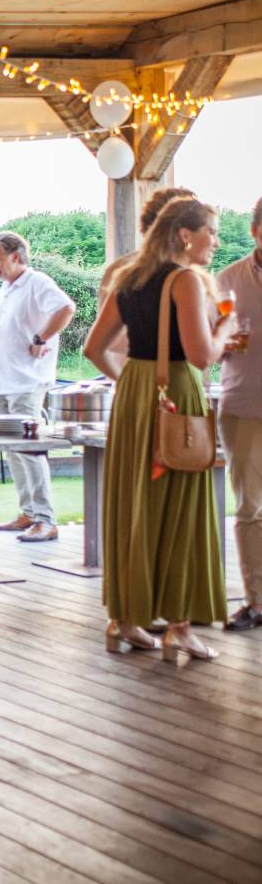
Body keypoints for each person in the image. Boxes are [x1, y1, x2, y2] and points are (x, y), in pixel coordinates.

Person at [83, 198, 231, 660]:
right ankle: (179, 627)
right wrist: (227, 330)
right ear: (185, 235)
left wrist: (131, 384)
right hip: (177, 392)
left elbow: (94, 349)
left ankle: (124, 621)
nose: (216, 242)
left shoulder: (129, 278)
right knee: (181, 507)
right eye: (211, 232)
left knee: (135, 504)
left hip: (134, 397)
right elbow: (201, 356)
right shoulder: (184, 280)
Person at [0, 231, 75, 542]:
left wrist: (41, 338)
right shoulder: (6, 288)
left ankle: (46, 520)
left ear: (15, 256)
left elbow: (66, 308)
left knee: (29, 450)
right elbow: (10, 331)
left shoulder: (37, 282)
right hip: (2, 381)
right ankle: (28, 513)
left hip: (27, 381)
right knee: (12, 450)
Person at [95, 187, 196, 376]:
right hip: (139, 376)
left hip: (186, 377)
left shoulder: (190, 270)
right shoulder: (124, 270)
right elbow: (110, 340)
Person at [218, 197, 262, 631]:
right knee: (250, 507)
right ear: (255, 231)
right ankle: (256, 601)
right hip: (244, 404)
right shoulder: (226, 280)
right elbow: (204, 343)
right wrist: (223, 343)